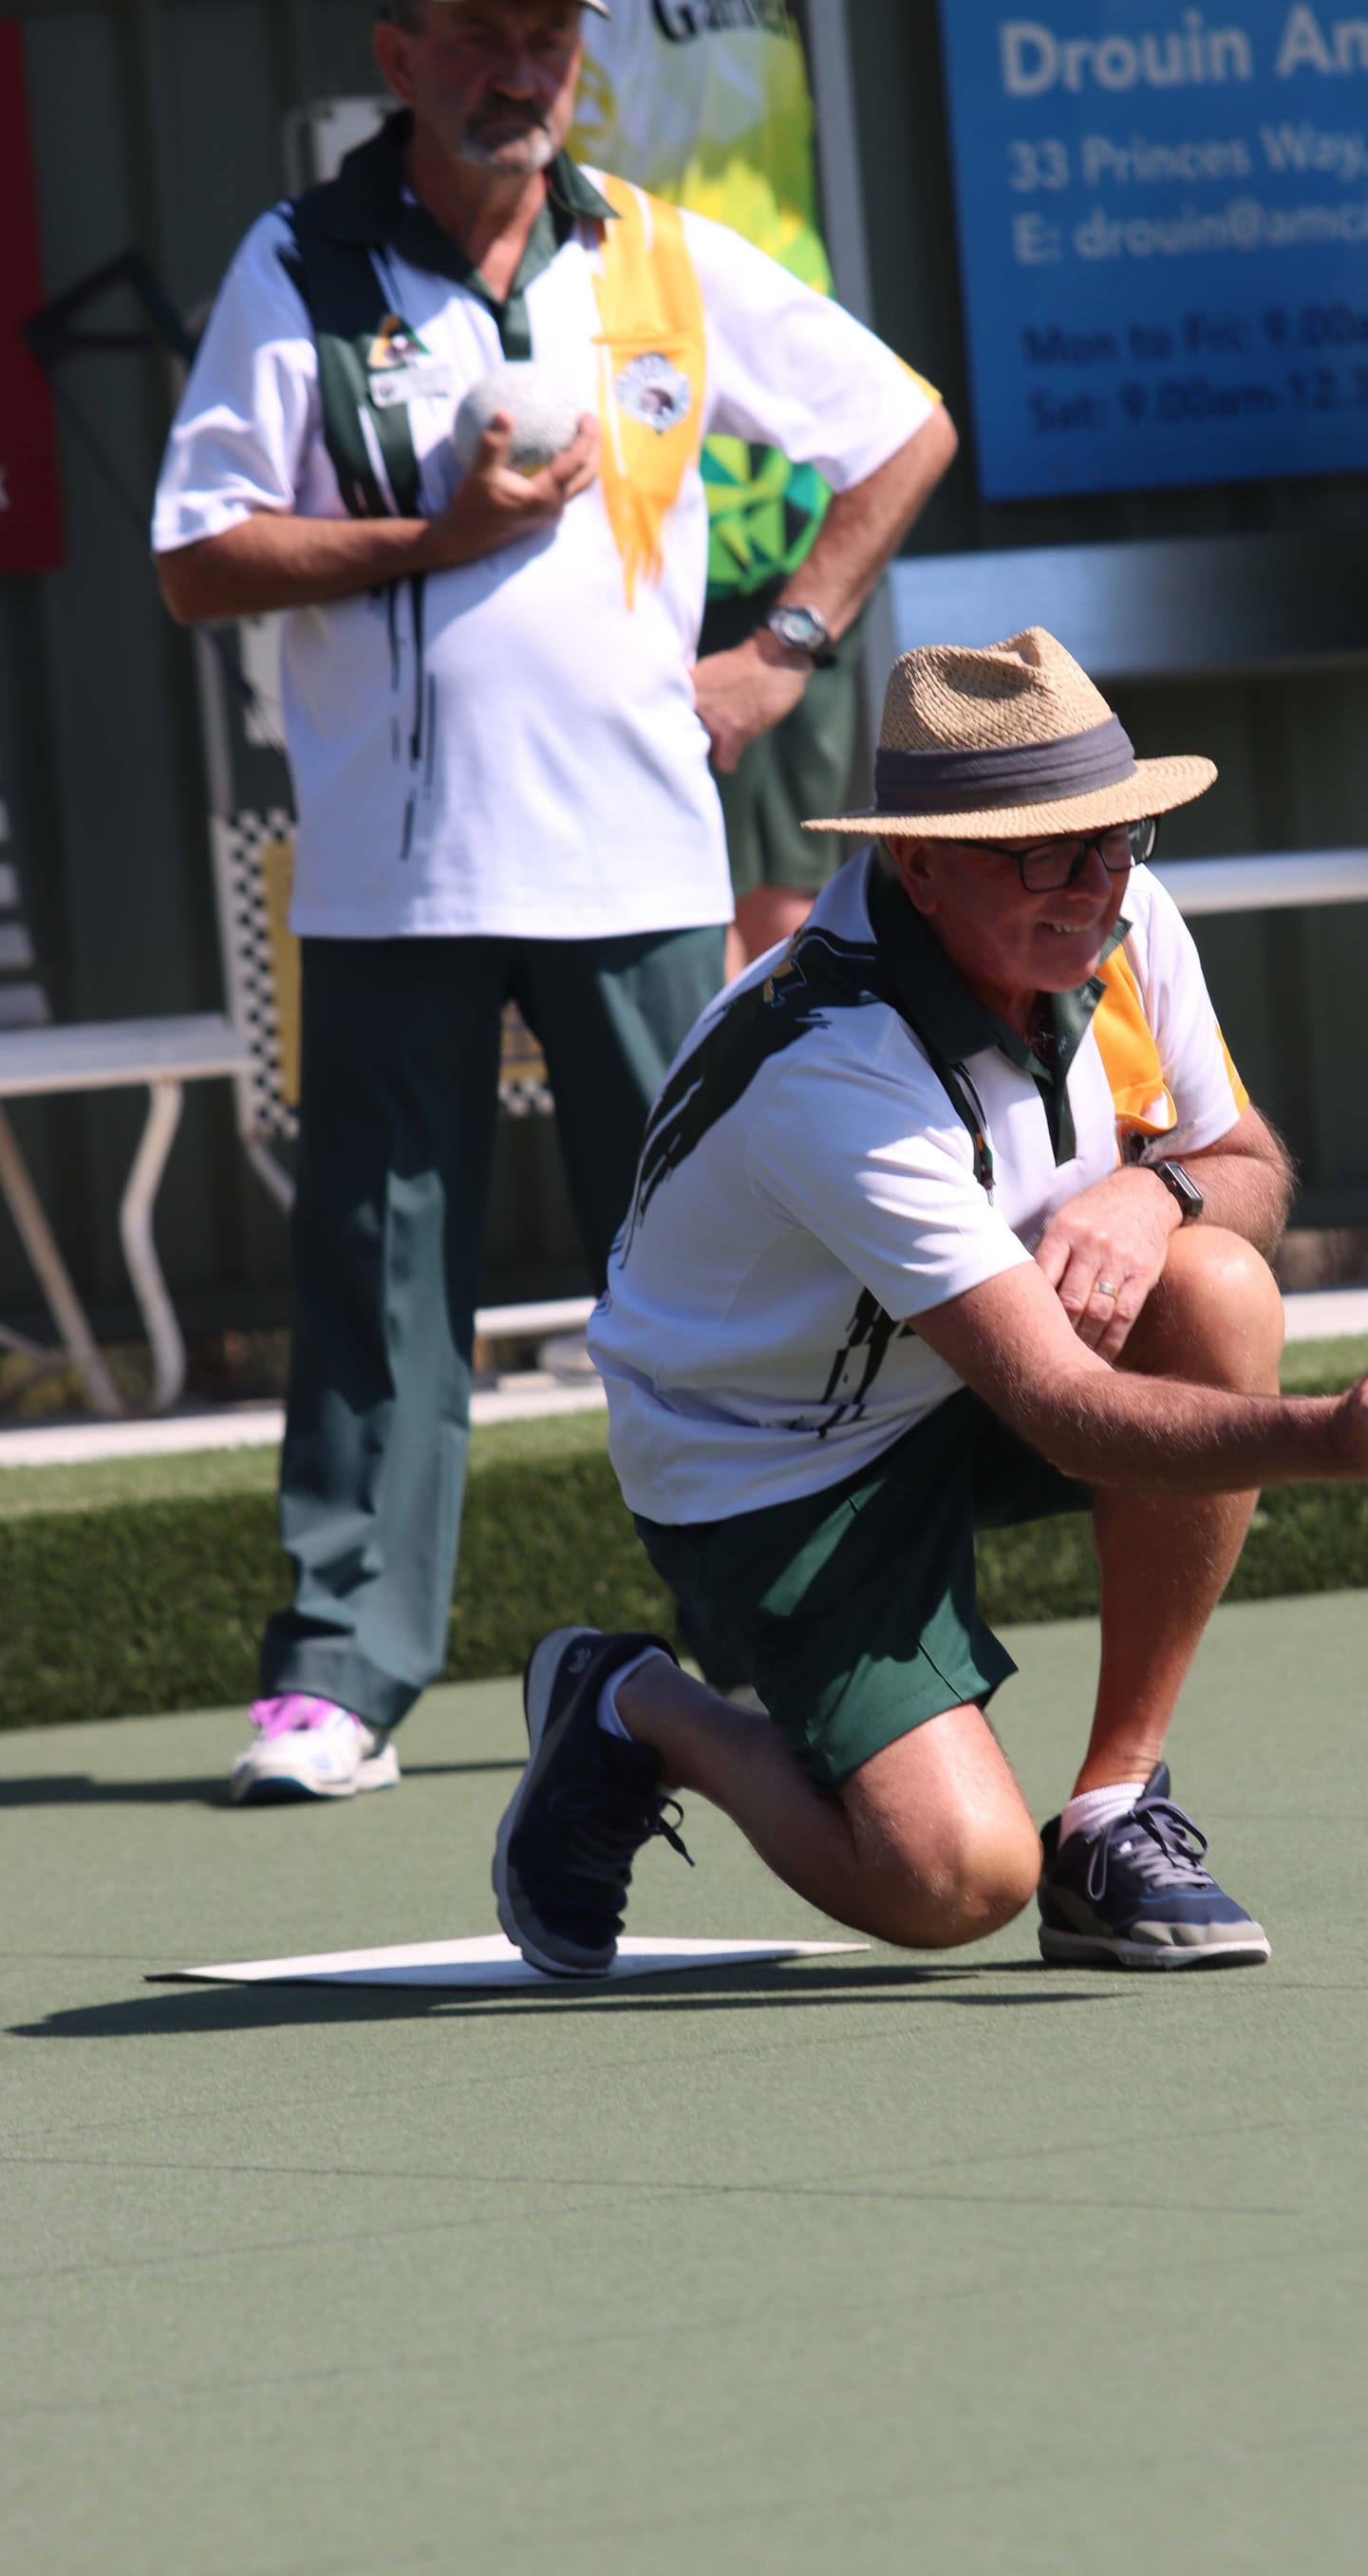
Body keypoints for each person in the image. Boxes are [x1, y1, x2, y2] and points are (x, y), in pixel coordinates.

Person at [150, 0, 956, 1805]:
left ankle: (769, 1646)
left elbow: (902, 429)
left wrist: (784, 649)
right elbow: (200, 557)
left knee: (714, 1278)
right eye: (481, 36)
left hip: (641, 863)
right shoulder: (303, 260)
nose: (521, 71)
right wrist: (437, 541)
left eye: (549, 37)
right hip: (389, 874)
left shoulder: (659, 252)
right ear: (401, 49)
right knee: (375, 1274)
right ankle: (341, 1672)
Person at [488, 629, 1368, 1978]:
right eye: (1043, 850)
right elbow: (1072, 1417)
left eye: (1113, 838)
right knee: (956, 1884)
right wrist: (1334, 1437)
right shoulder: (831, 1065)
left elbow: (1253, 1169)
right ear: (916, 862)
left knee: (1216, 1281)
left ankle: (1111, 1814)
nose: (1094, 884)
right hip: (769, 1466)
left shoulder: (1121, 913)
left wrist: (1160, 1200)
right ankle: (631, 1706)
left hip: (972, 1369)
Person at [577, 0, 861, 980]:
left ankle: (786, 1128)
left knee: (790, 900)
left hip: (790, 487)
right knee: (679, 912)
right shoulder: (553, 28)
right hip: (643, 479)